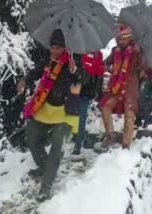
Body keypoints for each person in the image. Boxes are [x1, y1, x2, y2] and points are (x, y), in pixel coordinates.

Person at [17, 29, 81, 201]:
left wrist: (75, 73)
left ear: (65, 48)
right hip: (46, 109)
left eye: (58, 48)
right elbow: (35, 72)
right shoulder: (48, 60)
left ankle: (46, 186)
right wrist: (25, 80)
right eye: (52, 47)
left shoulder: (73, 62)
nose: (54, 51)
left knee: (56, 148)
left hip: (66, 113)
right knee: (31, 134)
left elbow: (82, 81)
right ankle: (45, 167)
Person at [99, 24, 144, 150]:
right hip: (115, 88)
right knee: (105, 108)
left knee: (129, 116)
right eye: (119, 39)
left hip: (130, 89)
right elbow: (105, 63)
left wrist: (140, 61)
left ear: (129, 38)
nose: (120, 41)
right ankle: (110, 136)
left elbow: (144, 68)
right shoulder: (115, 50)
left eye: (123, 39)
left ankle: (126, 144)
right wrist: (106, 67)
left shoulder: (137, 51)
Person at [71, 51, 104, 155]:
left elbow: (99, 73)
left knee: (81, 117)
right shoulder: (75, 52)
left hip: (86, 90)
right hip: (72, 87)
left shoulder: (97, 54)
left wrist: (97, 89)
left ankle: (78, 145)